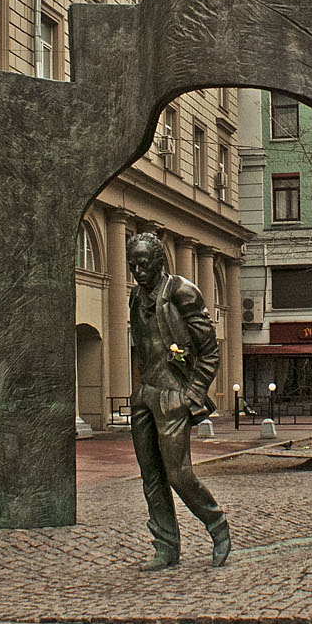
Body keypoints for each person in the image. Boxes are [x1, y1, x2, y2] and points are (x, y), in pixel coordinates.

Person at [125, 232, 231, 571]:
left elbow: (210, 351)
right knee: (151, 476)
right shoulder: (134, 297)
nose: (137, 271)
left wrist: (193, 394)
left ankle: (218, 527)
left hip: (174, 396)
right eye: (132, 265)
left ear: (159, 261)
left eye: (143, 264)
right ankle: (166, 546)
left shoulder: (182, 292)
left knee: (178, 474)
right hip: (145, 395)